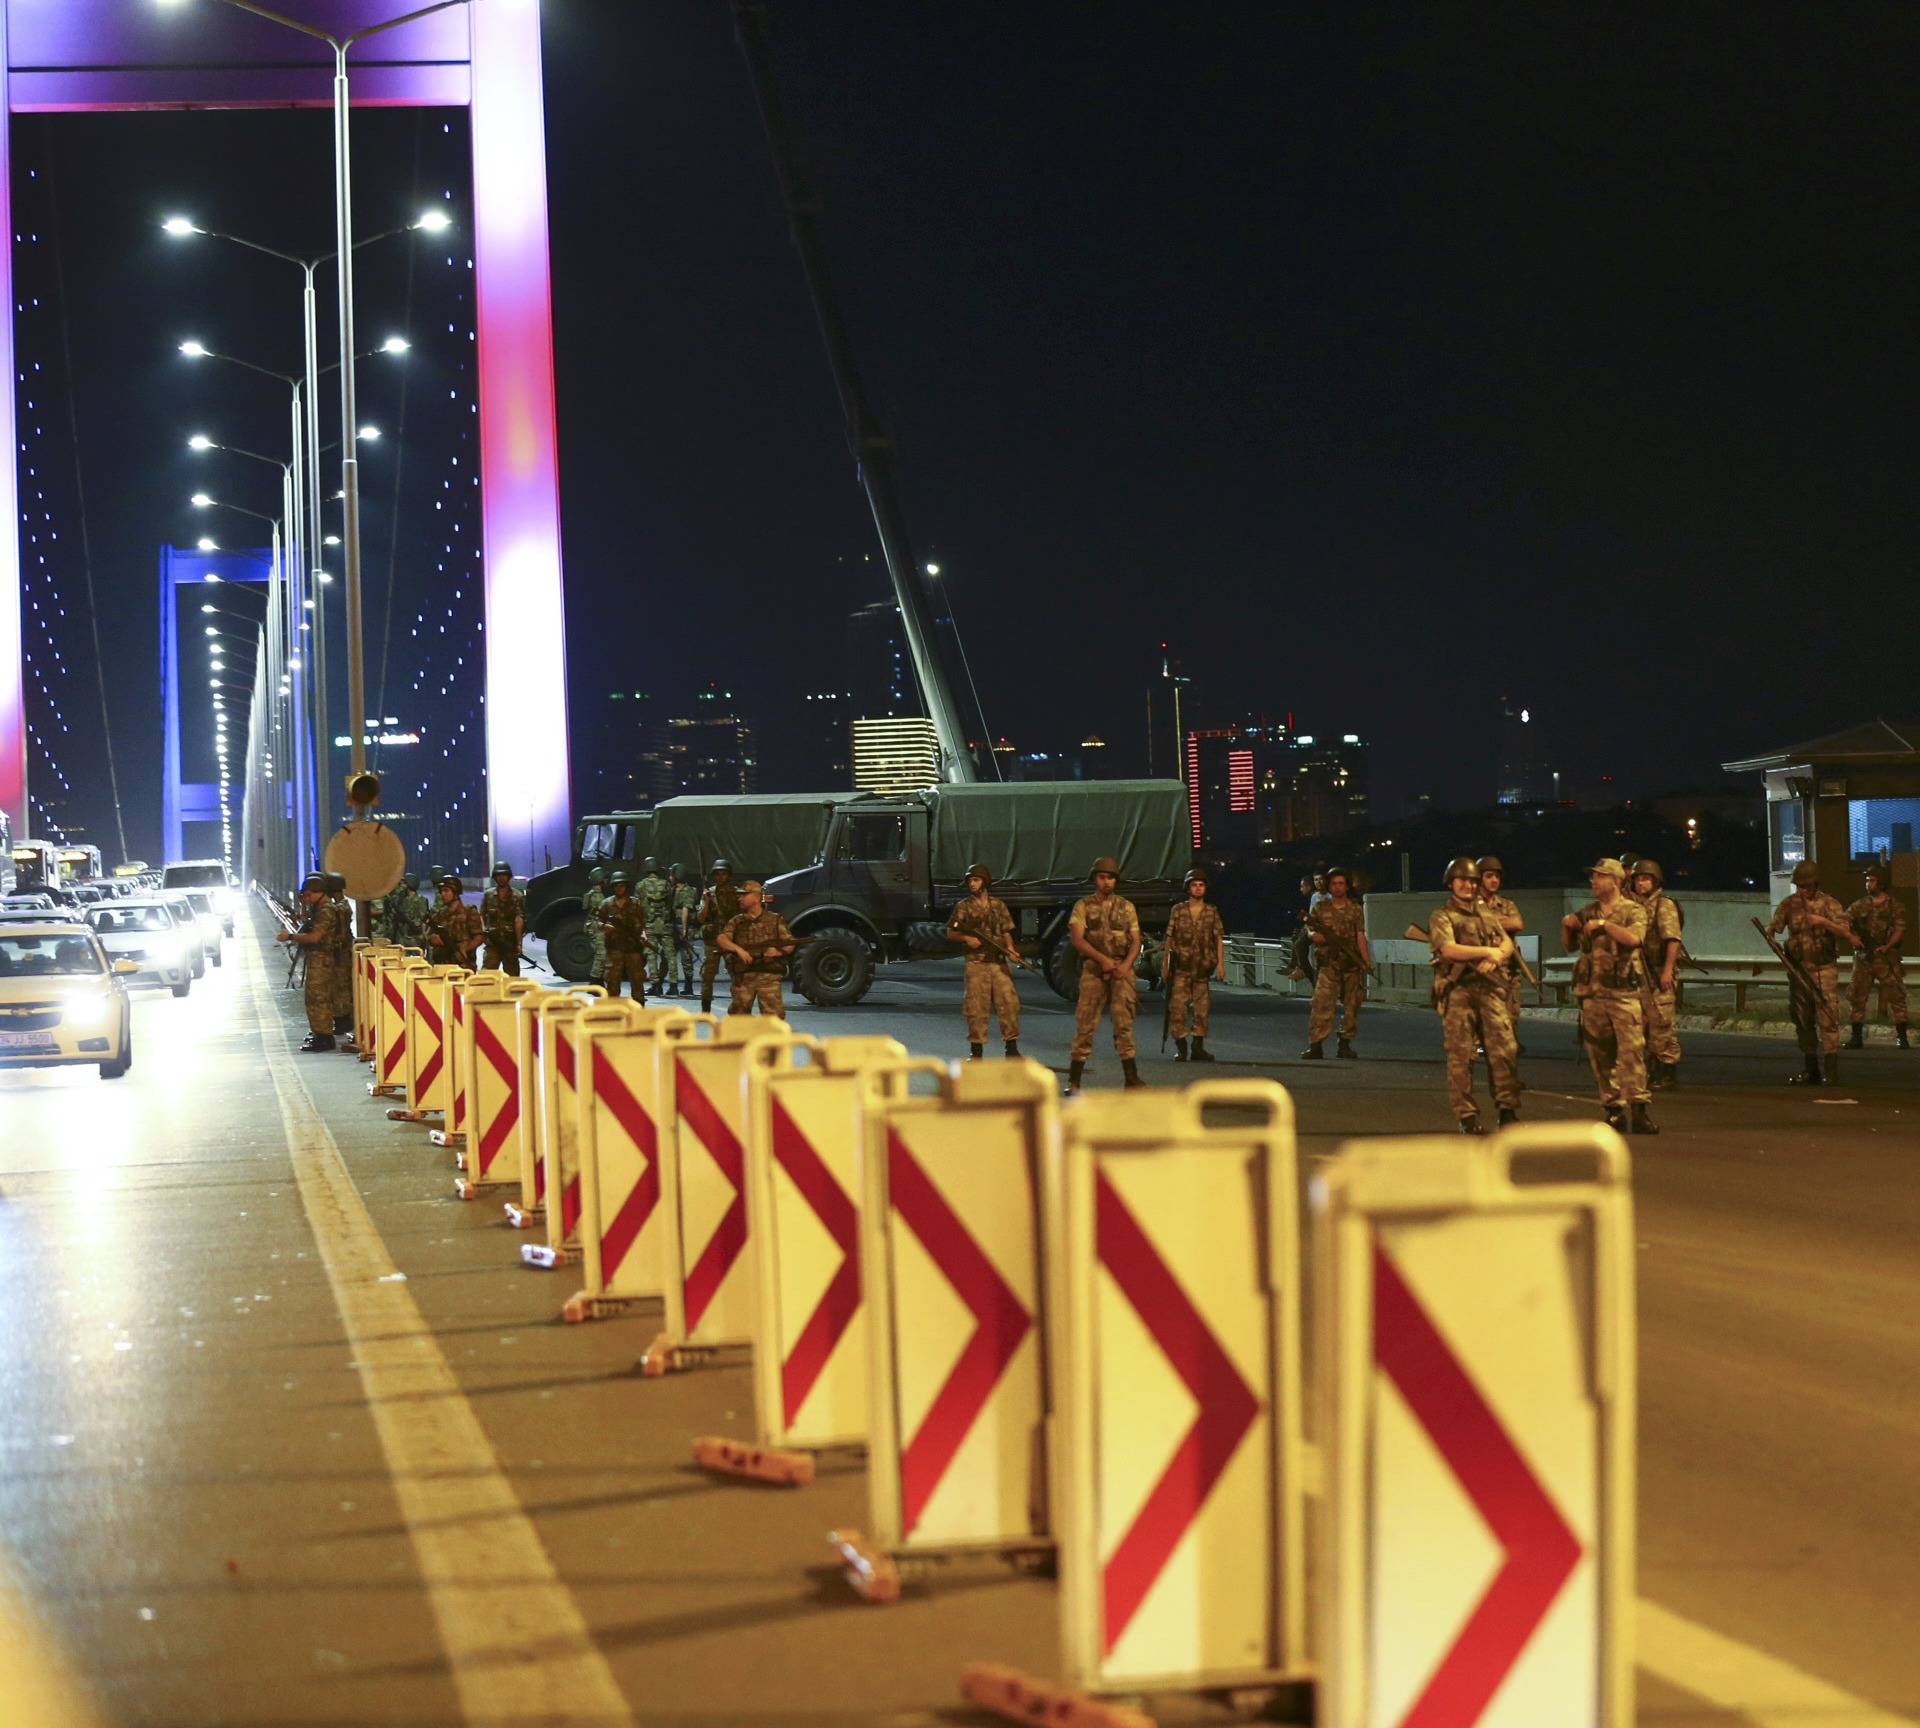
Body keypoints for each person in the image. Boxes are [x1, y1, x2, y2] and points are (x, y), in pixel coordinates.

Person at [1563, 858, 1657, 1133]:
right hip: (1593, 994)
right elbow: (1569, 946)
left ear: (1615, 881)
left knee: (1632, 1052)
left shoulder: (1633, 910)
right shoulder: (1587, 911)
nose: (1593, 882)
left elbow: (1634, 939)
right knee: (1600, 1054)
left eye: (1599, 877)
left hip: (1623, 994)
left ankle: (1639, 1109)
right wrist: (1567, 926)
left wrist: (1604, 925)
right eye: (1592, 877)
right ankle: (1613, 1109)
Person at [1428, 857, 1521, 1133]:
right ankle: (1466, 1116)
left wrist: (1498, 955)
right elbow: (1448, 949)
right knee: (1461, 1055)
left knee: (1504, 1050)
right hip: (1459, 990)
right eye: (1462, 881)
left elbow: (1504, 939)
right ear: (1451, 883)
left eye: (1472, 881)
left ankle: (1507, 1111)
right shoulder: (1442, 916)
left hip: (1491, 989)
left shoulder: (1485, 912)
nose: (1468, 885)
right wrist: (1485, 952)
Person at [1766, 860, 1862, 1083]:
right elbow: (1776, 927)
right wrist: (1771, 934)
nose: (1803, 890)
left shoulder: (1830, 904)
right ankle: (1811, 1068)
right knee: (1802, 1018)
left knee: (1828, 1017)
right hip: (1799, 970)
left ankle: (1831, 1070)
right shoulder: (1789, 904)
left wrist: (1821, 921)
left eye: (1807, 886)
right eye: (1799, 886)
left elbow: (1844, 930)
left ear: (1816, 884)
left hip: (1824, 969)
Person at [1066, 856, 1143, 1093]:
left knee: (1124, 1024)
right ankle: (1074, 1081)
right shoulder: (1083, 906)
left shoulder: (1126, 906)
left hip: (1121, 971)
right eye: (1102, 877)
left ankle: (1131, 1080)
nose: (1106, 882)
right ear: (1095, 879)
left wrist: (1125, 965)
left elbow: (1136, 940)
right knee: (1085, 1024)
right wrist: (1103, 960)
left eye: (1110, 877)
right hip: (1094, 971)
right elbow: (1077, 939)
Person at [946, 862, 1022, 1058]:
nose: (972, 884)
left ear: (985, 882)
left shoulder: (998, 906)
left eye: (976, 880)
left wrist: (1011, 950)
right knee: (976, 1008)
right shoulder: (963, 907)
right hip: (976, 963)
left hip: (998, 962)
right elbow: (951, 932)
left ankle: (1012, 1050)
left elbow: (1005, 931)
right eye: (970, 880)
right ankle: (976, 1053)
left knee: (1009, 1004)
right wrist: (966, 938)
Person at [1301, 866, 1370, 1059]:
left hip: (1350, 963)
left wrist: (1366, 961)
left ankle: (1345, 1043)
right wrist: (1317, 936)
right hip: (1328, 963)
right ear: (1329, 887)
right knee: (1321, 1004)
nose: (1338, 887)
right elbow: (1310, 929)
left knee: (1352, 1005)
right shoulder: (1320, 908)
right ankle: (1316, 1045)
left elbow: (1360, 936)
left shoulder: (1355, 909)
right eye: (1334, 884)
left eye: (1341, 883)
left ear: (1347, 886)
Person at [1163, 866, 1226, 1062]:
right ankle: (1181, 1048)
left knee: (1202, 1010)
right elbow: (1169, 939)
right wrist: (1165, 965)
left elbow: (1218, 939)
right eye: (1194, 885)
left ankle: (1198, 1048)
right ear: (1187, 888)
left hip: (1202, 969)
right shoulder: (1178, 910)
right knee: (1177, 1009)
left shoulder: (1211, 912)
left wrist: (1221, 965)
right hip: (1181, 968)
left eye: (1201, 885)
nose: (1198, 888)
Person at [1631, 859, 1685, 1087]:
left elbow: (1673, 940)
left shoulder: (1663, 905)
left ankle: (1667, 1071)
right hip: (1639, 974)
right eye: (1638, 879)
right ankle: (1652, 1069)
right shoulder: (1635, 906)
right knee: (1642, 1024)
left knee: (1662, 1023)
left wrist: (1667, 971)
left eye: (1646, 878)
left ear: (1655, 881)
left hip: (1658, 971)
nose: (1641, 883)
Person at [277, 873, 344, 1052]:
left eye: (308, 895)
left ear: (318, 892)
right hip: (318, 959)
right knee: (313, 999)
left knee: (319, 999)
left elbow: (315, 937)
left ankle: (324, 1037)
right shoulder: (319, 908)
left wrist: (290, 936)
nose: (306, 899)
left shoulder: (326, 910)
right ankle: (319, 1032)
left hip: (323, 960)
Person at [1847, 865, 1909, 1048]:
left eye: (1871, 880)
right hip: (1864, 958)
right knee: (1857, 996)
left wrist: (1888, 946)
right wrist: (1853, 938)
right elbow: (1843, 922)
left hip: (1887, 958)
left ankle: (1902, 1037)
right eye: (1867, 880)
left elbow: (1899, 929)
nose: (1868, 884)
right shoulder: (1859, 905)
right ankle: (1856, 1037)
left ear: (1881, 883)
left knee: (1897, 996)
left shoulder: (1895, 906)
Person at [717, 879, 797, 1018]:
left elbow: (790, 943)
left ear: (756, 897)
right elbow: (722, 939)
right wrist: (738, 950)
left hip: (768, 976)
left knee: (773, 1019)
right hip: (743, 976)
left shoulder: (775, 920)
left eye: (744, 895)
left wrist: (776, 952)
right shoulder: (737, 921)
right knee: (738, 1018)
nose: (739, 898)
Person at [1476, 856, 1526, 1049]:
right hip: (1482, 965)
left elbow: (1517, 923)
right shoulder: (1470, 904)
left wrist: (1486, 922)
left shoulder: (1506, 904)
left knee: (1511, 1010)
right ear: (1479, 878)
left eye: (1497, 876)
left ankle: (1507, 1043)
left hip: (1507, 966)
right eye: (1489, 876)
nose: (1494, 881)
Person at [697, 859, 741, 1014]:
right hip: (713, 940)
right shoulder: (709, 893)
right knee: (707, 975)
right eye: (717, 874)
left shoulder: (737, 893)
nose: (720, 877)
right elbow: (701, 918)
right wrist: (707, 902)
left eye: (723, 874)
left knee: (736, 974)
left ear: (729, 875)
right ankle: (705, 1010)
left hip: (731, 939)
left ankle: (737, 1007)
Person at [598, 870, 650, 1000]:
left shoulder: (636, 903)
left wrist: (643, 935)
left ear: (626, 886)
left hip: (633, 949)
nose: (619, 888)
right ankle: (613, 1014)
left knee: (637, 982)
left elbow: (644, 923)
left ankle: (639, 1013)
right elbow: (594, 921)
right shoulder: (606, 904)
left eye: (621, 885)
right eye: (616, 885)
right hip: (615, 949)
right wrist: (604, 927)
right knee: (612, 984)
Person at [479, 861, 526, 976]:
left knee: (513, 978)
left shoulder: (517, 896)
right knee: (487, 977)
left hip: (509, 943)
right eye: (498, 875)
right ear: (494, 877)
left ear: (509, 877)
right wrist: (484, 932)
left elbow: (519, 920)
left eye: (504, 875)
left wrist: (519, 944)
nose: (501, 878)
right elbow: (481, 915)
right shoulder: (488, 895)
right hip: (492, 943)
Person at [423, 875, 480, 967]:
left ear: (456, 893)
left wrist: (466, 947)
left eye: (446, 891)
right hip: (442, 965)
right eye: (441, 891)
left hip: (463, 964)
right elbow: (429, 933)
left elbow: (479, 937)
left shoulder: (469, 912)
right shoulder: (440, 914)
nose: (442, 894)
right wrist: (432, 939)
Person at [638, 856, 675, 995]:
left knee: (651, 955)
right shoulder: (666, 884)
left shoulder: (641, 885)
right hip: (665, 924)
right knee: (669, 955)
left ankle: (655, 985)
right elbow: (670, 903)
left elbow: (639, 906)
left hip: (649, 924)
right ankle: (673, 984)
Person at [325, 872, 355, 1036]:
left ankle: (343, 1020)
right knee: (339, 986)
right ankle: (342, 1019)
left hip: (341, 952)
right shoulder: (342, 905)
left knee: (340, 987)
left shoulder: (340, 908)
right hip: (342, 950)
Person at [671, 865, 701, 997]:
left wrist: (683, 929)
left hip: (685, 928)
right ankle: (668, 984)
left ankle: (688, 985)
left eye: (672, 875)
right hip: (673, 927)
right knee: (669, 956)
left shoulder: (689, 891)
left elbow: (685, 910)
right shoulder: (672, 890)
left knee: (686, 957)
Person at [581, 866, 608, 985]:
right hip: (597, 927)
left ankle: (598, 979)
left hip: (592, 926)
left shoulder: (590, 893)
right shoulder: (599, 896)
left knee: (599, 952)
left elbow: (585, 908)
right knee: (601, 953)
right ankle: (595, 980)